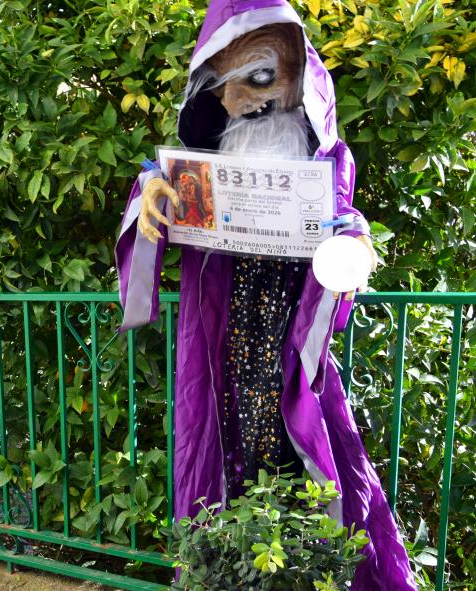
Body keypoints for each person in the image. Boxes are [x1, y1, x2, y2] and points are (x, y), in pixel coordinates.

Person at [114, 1, 414, 588]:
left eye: (259, 75)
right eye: (224, 83)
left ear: (299, 77)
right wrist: (148, 199)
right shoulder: (197, 174)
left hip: (291, 359)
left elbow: (344, 220)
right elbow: (155, 212)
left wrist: (353, 242)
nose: (244, 98)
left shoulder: (328, 162)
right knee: (220, 482)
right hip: (220, 361)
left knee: (308, 479)